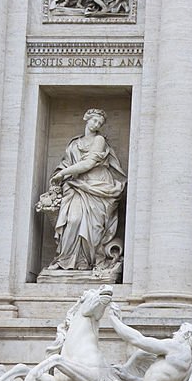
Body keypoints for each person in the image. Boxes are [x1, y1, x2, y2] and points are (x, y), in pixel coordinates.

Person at [45, 109, 126, 271]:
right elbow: (66, 163)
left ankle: (86, 261)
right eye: (94, 121)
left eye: (100, 123)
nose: (96, 125)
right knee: (73, 220)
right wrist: (60, 175)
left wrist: (62, 174)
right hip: (76, 186)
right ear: (86, 118)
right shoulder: (74, 144)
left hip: (98, 186)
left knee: (93, 227)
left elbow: (88, 164)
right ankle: (65, 260)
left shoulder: (99, 140)